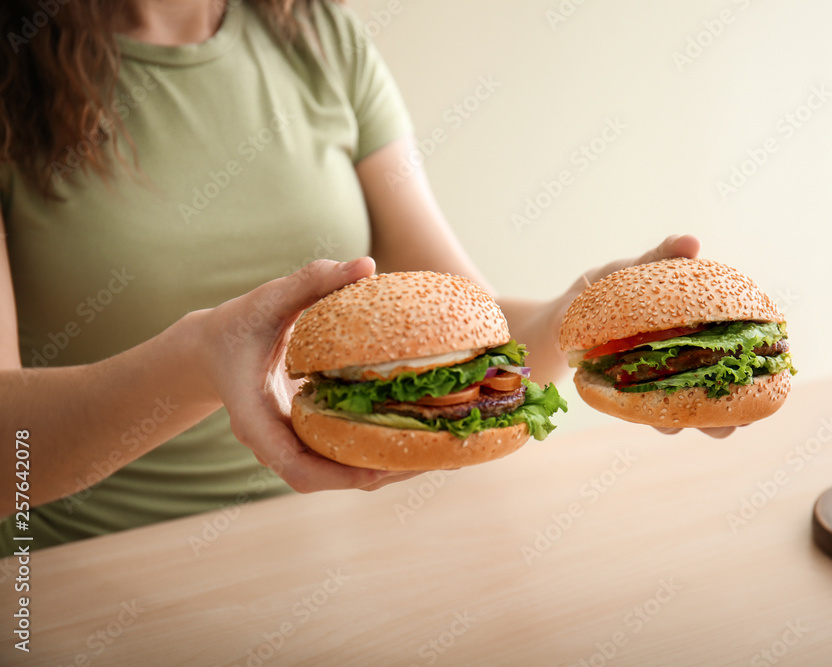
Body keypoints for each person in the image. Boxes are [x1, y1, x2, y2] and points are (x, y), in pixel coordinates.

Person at [0, 0, 731, 554]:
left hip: (337, 550)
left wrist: (586, 312)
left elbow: (479, 336)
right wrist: (198, 361)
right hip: (80, 571)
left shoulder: (321, 36)